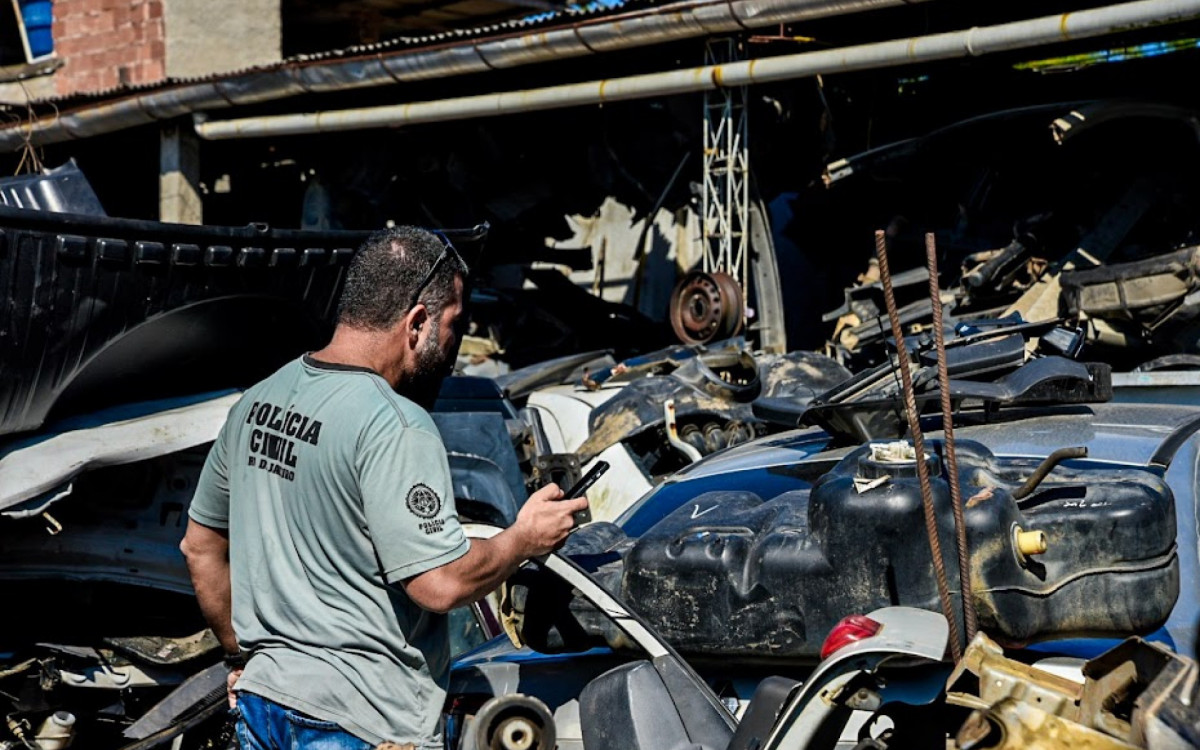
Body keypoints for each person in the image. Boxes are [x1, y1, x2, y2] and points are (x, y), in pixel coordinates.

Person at [180, 225, 588, 750]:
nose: (455, 346)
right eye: (453, 324)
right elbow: (439, 585)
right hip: (360, 723)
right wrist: (523, 539)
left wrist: (245, 658)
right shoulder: (397, 424)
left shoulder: (257, 402)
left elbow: (199, 546)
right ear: (417, 322)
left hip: (263, 705)